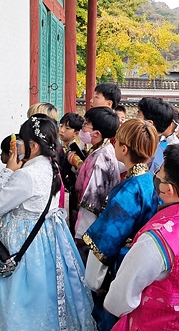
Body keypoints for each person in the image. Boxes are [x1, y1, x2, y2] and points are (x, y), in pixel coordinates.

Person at [0, 115, 96, 331]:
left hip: (22, 241)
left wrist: (8, 170)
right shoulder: (51, 165)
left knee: (15, 291)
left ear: (33, 145)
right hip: (47, 239)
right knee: (46, 290)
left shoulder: (27, 175)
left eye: (22, 141)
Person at [104, 144, 179, 331]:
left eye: (159, 171)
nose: (155, 173)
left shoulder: (155, 241)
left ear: (169, 190)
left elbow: (119, 300)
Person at [84, 119, 159, 331]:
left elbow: (106, 240)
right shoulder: (151, 181)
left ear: (124, 149)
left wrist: (93, 280)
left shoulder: (127, 191)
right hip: (147, 266)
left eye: (116, 142)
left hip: (122, 267)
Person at [74, 107, 121, 258]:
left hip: (91, 229)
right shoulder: (103, 149)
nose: (83, 126)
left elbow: (92, 200)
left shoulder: (101, 159)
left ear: (96, 134)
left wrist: (80, 235)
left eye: (87, 124)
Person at [59, 112, 86, 229]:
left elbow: (80, 166)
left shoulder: (75, 151)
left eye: (67, 128)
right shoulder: (60, 147)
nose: (62, 130)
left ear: (76, 133)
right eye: (61, 126)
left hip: (69, 191)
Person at [136, 97, 174, 173]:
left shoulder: (146, 155)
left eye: (138, 115)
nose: (135, 119)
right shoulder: (163, 150)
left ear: (149, 124)